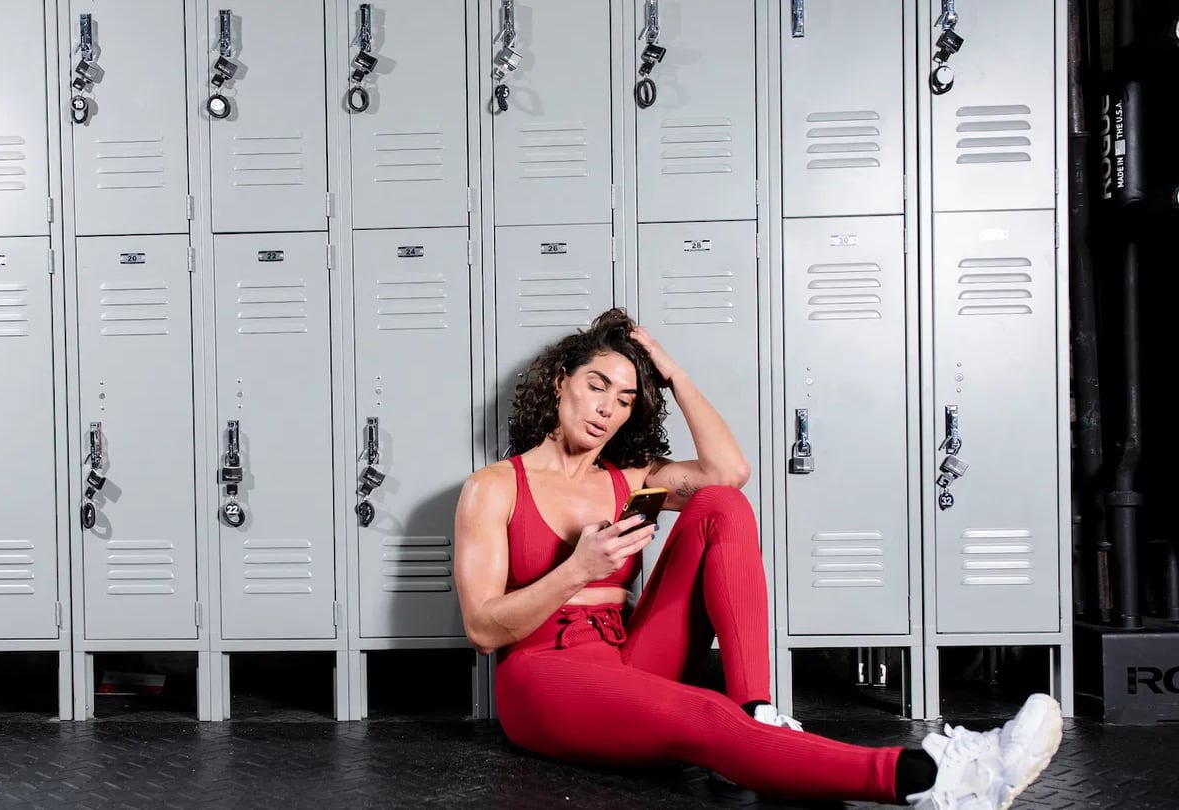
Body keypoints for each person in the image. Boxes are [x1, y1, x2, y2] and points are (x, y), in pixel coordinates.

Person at [453, 308, 1062, 808]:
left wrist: (675, 375)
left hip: (626, 651)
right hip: (542, 674)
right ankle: (934, 779)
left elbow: (729, 474)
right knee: (705, 719)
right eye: (596, 386)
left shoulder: (630, 480)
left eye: (625, 397)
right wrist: (578, 570)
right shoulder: (495, 486)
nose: (607, 408)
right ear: (562, 379)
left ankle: (759, 708)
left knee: (719, 504)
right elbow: (483, 629)